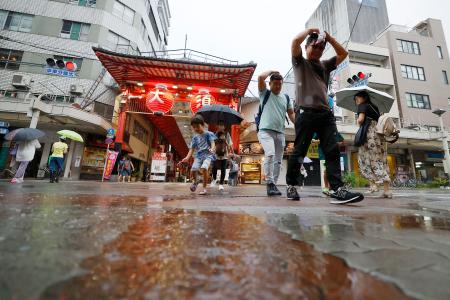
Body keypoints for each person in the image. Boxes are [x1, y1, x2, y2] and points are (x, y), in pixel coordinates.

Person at [286, 28, 363, 204]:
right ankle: (291, 186)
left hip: (325, 114)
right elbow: (294, 42)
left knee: (332, 150)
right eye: (314, 46)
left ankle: (337, 190)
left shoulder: (325, 65)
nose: (318, 50)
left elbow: (344, 53)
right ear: (306, 47)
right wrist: (308, 32)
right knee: (299, 150)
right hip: (305, 112)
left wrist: (329, 38)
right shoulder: (300, 62)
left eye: (321, 48)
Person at [257, 71, 295, 196]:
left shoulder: (286, 97)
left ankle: (274, 184)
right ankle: (269, 183)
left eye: (280, 84)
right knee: (270, 154)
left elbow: (291, 113)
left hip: (280, 133)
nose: (278, 86)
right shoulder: (265, 93)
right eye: (275, 84)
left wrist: (298, 125)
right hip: (265, 130)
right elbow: (260, 77)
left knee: (278, 160)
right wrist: (272, 70)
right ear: (270, 83)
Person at [355, 91, 392, 198]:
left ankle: (375, 186)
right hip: (379, 136)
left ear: (363, 98)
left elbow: (361, 120)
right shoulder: (375, 107)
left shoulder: (362, 106)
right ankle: (385, 189)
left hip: (369, 136)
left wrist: (358, 119)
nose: (356, 101)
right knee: (380, 159)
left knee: (365, 159)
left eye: (357, 98)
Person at [181, 115, 216, 195]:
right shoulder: (195, 138)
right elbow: (191, 149)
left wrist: (212, 148)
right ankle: (196, 181)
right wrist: (187, 158)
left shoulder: (208, 134)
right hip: (199, 156)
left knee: (204, 169)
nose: (196, 129)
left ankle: (204, 188)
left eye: (197, 126)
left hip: (208, 155)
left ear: (202, 125)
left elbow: (212, 143)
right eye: (194, 127)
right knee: (193, 169)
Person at [211, 121, 233, 191]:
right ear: (217, 126)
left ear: (224, 127)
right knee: (214, 167)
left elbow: (230, 144)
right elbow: (212, 143)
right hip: (215, 154)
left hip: (224, 154)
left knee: (223, 169)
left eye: (222, 125)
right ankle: (214, 179)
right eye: (219, 125)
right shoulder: (214, 134)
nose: (220, 127)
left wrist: (231, 152)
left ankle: (221, 184)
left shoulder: (226, 134)